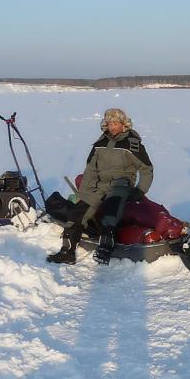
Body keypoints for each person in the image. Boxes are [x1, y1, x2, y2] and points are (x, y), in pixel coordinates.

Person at [47, 108, 154, 265]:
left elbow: (146, 169)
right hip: (99, 185)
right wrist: (85, 192)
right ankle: (67, 252)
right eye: (109, 123)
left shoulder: (132, 144)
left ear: (124, 124)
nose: (112, 127)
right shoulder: (100, 143)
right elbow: (90, 168)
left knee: (110, 213)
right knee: (77, 214)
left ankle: (105, 250)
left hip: (120, 184)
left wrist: (140, 190)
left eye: (116, 123)